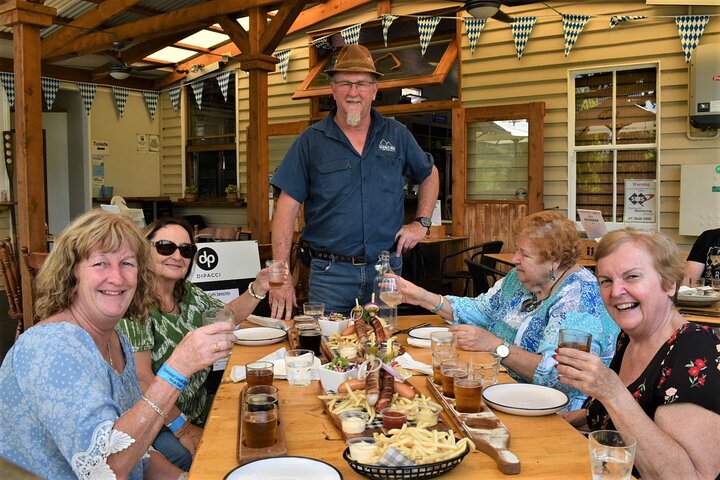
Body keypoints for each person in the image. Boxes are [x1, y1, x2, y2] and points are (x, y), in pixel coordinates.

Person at [0, 210, 237, 479]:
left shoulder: (116, 339)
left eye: (127, 264)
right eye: (100, 263)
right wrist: (179, 367)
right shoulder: (52, 347)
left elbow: (136, 450)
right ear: (71, 274)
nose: (117, 278)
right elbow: (104, 469)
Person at [269, 43, 439, 319]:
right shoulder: (310, 142)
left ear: (374, 90)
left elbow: (429, 174)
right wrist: (281, 274)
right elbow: (286, 209)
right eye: (345, 83)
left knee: (383, 350)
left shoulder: (397, 135)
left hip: (386, 272)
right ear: (332, 89)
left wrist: (421, 223)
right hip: (329, 275)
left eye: (362, 83)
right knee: (326, 353)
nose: (353, 92)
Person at [390, 211, 619, 410]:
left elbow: (558, 376)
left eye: (525, 254)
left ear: (555, 261)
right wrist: (419, 296)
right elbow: (480, 310)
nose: (515, 259)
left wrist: (497, 346)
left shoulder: (580, 299)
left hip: (553, 412)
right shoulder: (519, 279)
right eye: (516, 249)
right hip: (503, 389)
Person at [118, 218, 283, 470]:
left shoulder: (186, 293)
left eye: (186, 250)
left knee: (261, 416)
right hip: (157, 423)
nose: (177, 255)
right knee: (204, 456)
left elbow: (227, 316)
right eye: (165, 247)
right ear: (143, 249)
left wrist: (258, 288)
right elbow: (142, 379)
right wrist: (183, 429)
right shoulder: (134, 304)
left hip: (196, 407)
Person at [557, 229, 720, 480]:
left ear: (669, 284)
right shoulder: (631, 338)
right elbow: (612, 419)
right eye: (606, 280)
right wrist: (561, 420)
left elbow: (688, 476)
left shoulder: (695, 350)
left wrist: (611, 391)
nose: (615, 291)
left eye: (632, 277)